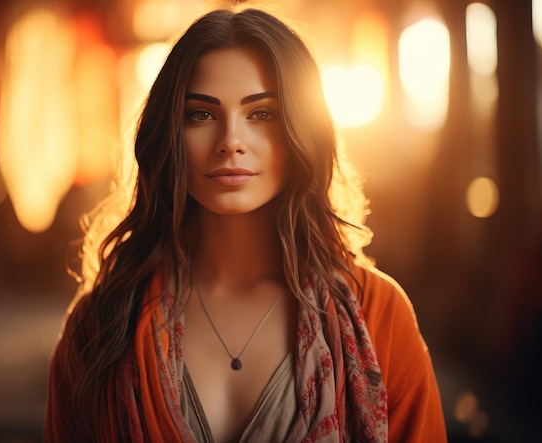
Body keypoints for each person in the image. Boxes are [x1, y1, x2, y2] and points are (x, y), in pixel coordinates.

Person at [44, 7, 447, 443]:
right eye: (201, 114)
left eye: (261, 114)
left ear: (302, 131)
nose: (230, 141)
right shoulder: (102, 321)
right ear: (169, 133)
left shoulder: (379, 315)